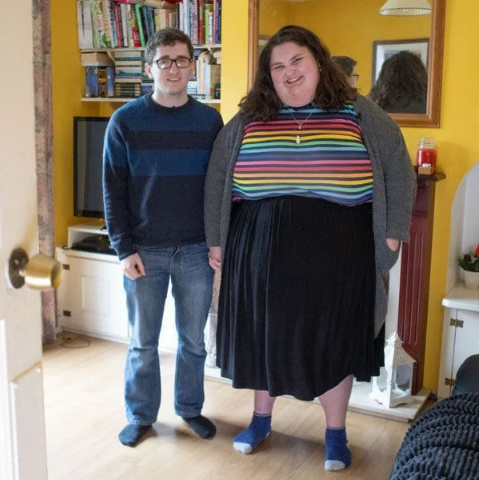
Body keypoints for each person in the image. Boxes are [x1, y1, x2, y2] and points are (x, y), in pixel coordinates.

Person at [205, 25, 416, 471]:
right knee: (263, 337)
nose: (289, 72)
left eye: (297, 60)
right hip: (259, 250)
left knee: (334, 341)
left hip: (340, 251)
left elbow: (399, 167)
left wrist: (393, 232)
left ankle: (335, 433)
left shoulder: (358, 111)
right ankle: (261, 420)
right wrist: (217, 239)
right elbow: (218, 176)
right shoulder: (250, 116)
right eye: (277, 66)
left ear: (319, 61)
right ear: (268, 75)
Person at [103, 27, 223, 447]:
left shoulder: (209, 121)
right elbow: (112, 190)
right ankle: (140, 415)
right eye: (164, 61)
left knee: (193, 341)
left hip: (196, 250)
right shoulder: (124, 121)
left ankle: (190, 408)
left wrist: (217, 240)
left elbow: (218, 188)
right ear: (149, 67)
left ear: (192, 67)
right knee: (142, 342)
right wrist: (123, 250)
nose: (174, 68)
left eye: (182, 60)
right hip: (144, 252)